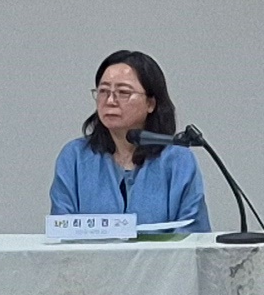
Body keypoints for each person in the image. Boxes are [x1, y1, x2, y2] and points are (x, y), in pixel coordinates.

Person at [45, 48, 207, 230]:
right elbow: (61, 229)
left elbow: (193, 233)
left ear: (150, 103)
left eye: (123, 92)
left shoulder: (178, 160)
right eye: (103, 91)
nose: (110, 101)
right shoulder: (75, 157)